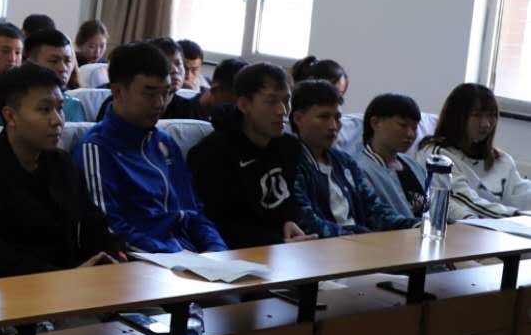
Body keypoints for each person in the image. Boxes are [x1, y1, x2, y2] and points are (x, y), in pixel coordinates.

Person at [0, 64, 125, 279]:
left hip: (74, 282)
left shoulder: (63, 163)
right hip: (13, 289)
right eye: (44, 110)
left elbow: (92, 223)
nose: (57, 120)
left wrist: (110, 257)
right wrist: (65, 277)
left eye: (59, 108)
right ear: (10, 116)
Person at [79, 42, 226, 253]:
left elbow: (193, 211)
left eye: (166, 93)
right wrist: (176, 256)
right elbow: (110, 229)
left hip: (190, 257)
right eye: (149, 94)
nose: (160, 104)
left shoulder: (165, 142)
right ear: (118, 91)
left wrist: (217, 251)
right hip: (147, 262)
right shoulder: (96, 148)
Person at [186, 63, 315, 248]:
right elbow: (220, 223)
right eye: (271, 102)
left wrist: (288, 221)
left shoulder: (289, 146)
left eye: (286, 100)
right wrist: (277, 242)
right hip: (235, 252)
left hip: (282, 248)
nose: (283, 111)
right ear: (244, 105)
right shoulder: (212, 153)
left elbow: (285, 202)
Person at [290, 81, 412, 236]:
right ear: (298, 118)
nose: (333, 126)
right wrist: (358, 236)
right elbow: (306, 221)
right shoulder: (290, 162)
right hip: (324, 247)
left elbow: (375, 210)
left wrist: (415, 224)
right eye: (324, 117)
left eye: (337, 118)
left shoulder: (345, 162)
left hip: (359, 242)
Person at [420, 83, 531, 217]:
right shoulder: (438, 156)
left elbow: (522, 193)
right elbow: (465, 201)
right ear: (457, 118)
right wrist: (517, 216)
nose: (486, 124)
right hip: (469, 226)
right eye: (477, 115)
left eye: (492, 115)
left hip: (502, 225)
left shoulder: (502, 160)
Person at [354, 93, 428, 225]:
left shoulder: (413, 165)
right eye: (403, 125)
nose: (411, 134)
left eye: (415, 128)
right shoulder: (359, 168)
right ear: (375, 123)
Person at [20, 30, 88, 123]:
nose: (63, 68)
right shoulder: (14, 102)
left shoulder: (73, 105)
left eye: (67, 61)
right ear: (30, 64)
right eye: (54, 61)